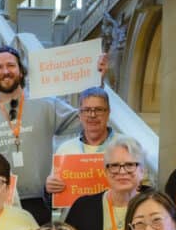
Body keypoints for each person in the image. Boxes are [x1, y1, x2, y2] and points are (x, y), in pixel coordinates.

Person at [0, 46, 107, 225]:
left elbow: (85, 119)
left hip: (40, 201)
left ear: (21, 71)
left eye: (11, 65)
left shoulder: (46, 104)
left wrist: (97, 82)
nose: (6, 71)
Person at [64, 135, 150, 230]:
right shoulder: (83, 207)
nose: (122, 171)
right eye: (114, 166)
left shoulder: (154, 207)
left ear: (142, 171)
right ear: (105, 171)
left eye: (130, 165)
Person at [48, 87, 126, 215]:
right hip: (76, 222)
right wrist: (49, 190)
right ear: (79, 115)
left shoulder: (126, 146)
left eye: (99, 109)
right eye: (86, 110)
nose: (92, 115)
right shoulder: (65, 150)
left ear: (108, 112)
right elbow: (54, 202)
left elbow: (142, 188)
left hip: (116, 219)